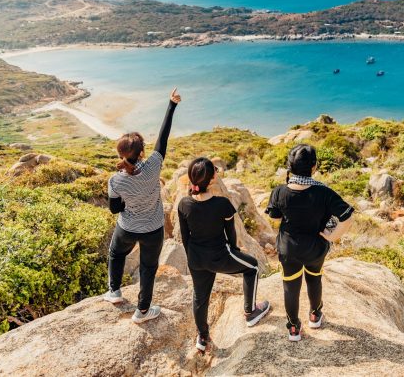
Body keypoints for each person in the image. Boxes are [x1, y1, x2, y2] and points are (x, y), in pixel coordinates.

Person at [103, 88, 181, 324]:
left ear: (120, 153)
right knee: (148, 268)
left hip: (127, 227)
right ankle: (143, 311)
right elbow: (163, 139)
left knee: (116, 254)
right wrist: (171, 105)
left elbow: (115, 210)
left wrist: (130, 204)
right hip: (153, 229)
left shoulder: (115, 180)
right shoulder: (153, 166)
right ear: (142, 152)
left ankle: (114, 292)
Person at [177, 157, 271, 352]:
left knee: (200, 297)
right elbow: (231, 233)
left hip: (196, 258)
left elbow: (185, 237)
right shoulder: (222, 204)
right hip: (220, 256)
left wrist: (193, 258)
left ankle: (202, 337)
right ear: (211, 180)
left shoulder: (184, 204)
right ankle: (251, 311)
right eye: (215, 172)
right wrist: (235, 251)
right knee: (252, 266)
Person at [265, 144, 354, 341]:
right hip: (315, 248)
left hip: (289, 249)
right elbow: (347, 216)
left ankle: (294, 328)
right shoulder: (325, 192)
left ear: (290, 167)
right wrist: (332, 236)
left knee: (290, 287)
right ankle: (315, 315)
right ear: (314, 167)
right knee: (314, 279)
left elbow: (275, 218)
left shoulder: (279, 191)